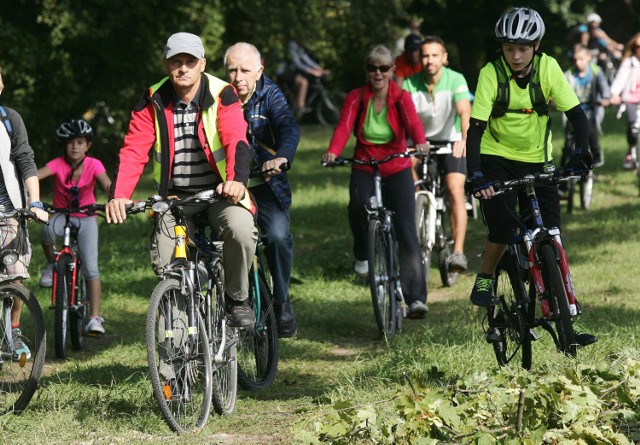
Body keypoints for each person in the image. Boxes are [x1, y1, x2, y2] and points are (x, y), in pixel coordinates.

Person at [105, 32, 258, 328]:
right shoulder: (153, 98)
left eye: (190, 61)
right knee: (167, 265)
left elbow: (236, 141)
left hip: (220, 193)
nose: (183, 68)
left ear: (202, 63)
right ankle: (174, 363)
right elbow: (134, 149)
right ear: (166, 65)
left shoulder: (222, 92)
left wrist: (236, 180)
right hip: (174, 198)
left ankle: (237, 298)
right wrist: (119, 194)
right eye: (177, 61)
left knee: (240, 231)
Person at [466, 7, 597, 346]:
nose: (516, 55)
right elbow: (476, 128)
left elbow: (578, 116)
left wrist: (581, 153)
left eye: (523, 47)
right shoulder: (490, 73)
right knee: (504, 225)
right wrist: (477, 174)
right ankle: (485, 276)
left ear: (536, 45)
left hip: (538, 161)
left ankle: (569, 315)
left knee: (552, 235)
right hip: (496, 159)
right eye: (509, 48)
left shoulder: (549, 68)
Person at [322, 44, 430, 319]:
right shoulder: (356, 97)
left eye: (384, 68)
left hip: (397, 164)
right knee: (357, 206)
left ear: (393, 70)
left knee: (406, 228)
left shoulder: (401, 97)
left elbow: (413, 124)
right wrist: (334, 151)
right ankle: (363, 253)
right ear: (367, 70)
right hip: (365, 162)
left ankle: (415, 298)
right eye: (372, 68)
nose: (378, 73)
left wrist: (420, 143)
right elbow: (344, 126)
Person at [224, 42, 299, 338]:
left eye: (245, 70)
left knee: (278, 238)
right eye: (232, 69)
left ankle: (281, 301)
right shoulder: (218, 96)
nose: (238, 77)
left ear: (259, 71)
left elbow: (288, 126)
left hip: (266, 186)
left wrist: (282, 156)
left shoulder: (270, 94)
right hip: (230, 189)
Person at [402, 35, 471, 274]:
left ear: (444, 58)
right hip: (420, 142)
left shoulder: (456, 79)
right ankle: (420, 210)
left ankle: (458, 252)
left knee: (454, 190)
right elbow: (402, 120)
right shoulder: (409, 84)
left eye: (434, 55)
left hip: (451, 141)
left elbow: (464, 112)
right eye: (425, 56)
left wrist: (464, 139)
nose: (429, 60)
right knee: (406, 171)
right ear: (419, 59)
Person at [37, 119, 111, 335]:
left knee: (91, 266)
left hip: (87, 216)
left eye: (80, 142)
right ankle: (52, 265)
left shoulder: (94, 164)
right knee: (47, 231)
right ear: (63, 146)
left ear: (88, 145)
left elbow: (106, 183)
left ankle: (95, 318)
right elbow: (36, 176)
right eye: (70, 143)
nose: (75, 147)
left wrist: (114, 196)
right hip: (61, 214)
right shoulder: (57, 164)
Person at [0, 65, 49, 358]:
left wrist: (35, 202)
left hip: (10, 212)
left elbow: (25, 160)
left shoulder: (9, 119)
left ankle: (13, 332)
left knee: (15, 276)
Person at [562, 45, 610, 169]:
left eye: (581, 59)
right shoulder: (569, 74)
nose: (578, 63)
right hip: (573, 110)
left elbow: (604, 87)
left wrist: (605, 98)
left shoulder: (596, 71)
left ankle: (597, 155)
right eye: (575, 60)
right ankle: (565, 165)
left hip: (590, 107)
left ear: (589, 57)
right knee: (568, 138)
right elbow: (561, 88)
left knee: (591, 130)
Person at [610, 32, 640, 170]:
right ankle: (631, 148)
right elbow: (620, 79)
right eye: (638, 46)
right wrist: (614, 94)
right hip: (631, 100)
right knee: (633, 127)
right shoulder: (629, 63)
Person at [286, 40, 329, 120]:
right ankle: (300, 106)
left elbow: (306, 59)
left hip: (294, 73)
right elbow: (297, 63)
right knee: (303, 82)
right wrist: (313, 72)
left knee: (300, 86)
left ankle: (296, 108)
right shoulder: (292, 44)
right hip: (286, 73)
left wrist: (320, 69)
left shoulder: (299, 47)